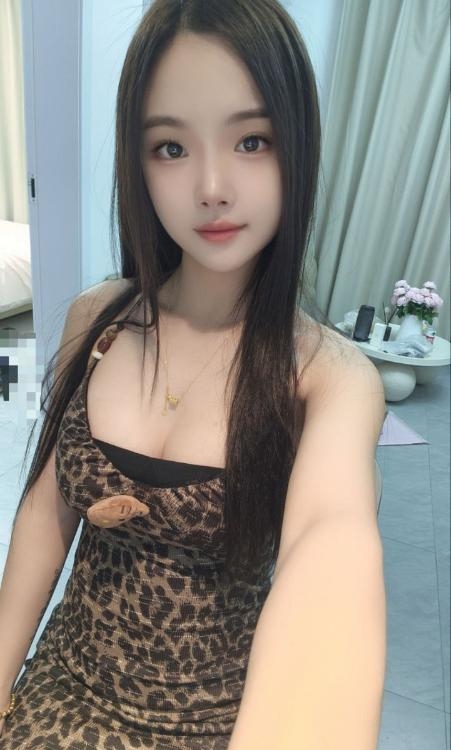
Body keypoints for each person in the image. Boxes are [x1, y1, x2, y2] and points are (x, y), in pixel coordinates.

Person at [0, 1, 387, 748]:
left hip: (212, 723)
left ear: (297, 146)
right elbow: (45, 517)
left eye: (251, 141)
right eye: (171, 148)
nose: (211, 185)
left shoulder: (328, 378)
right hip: (65, 686)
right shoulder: (97, 320)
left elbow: (331, 547)